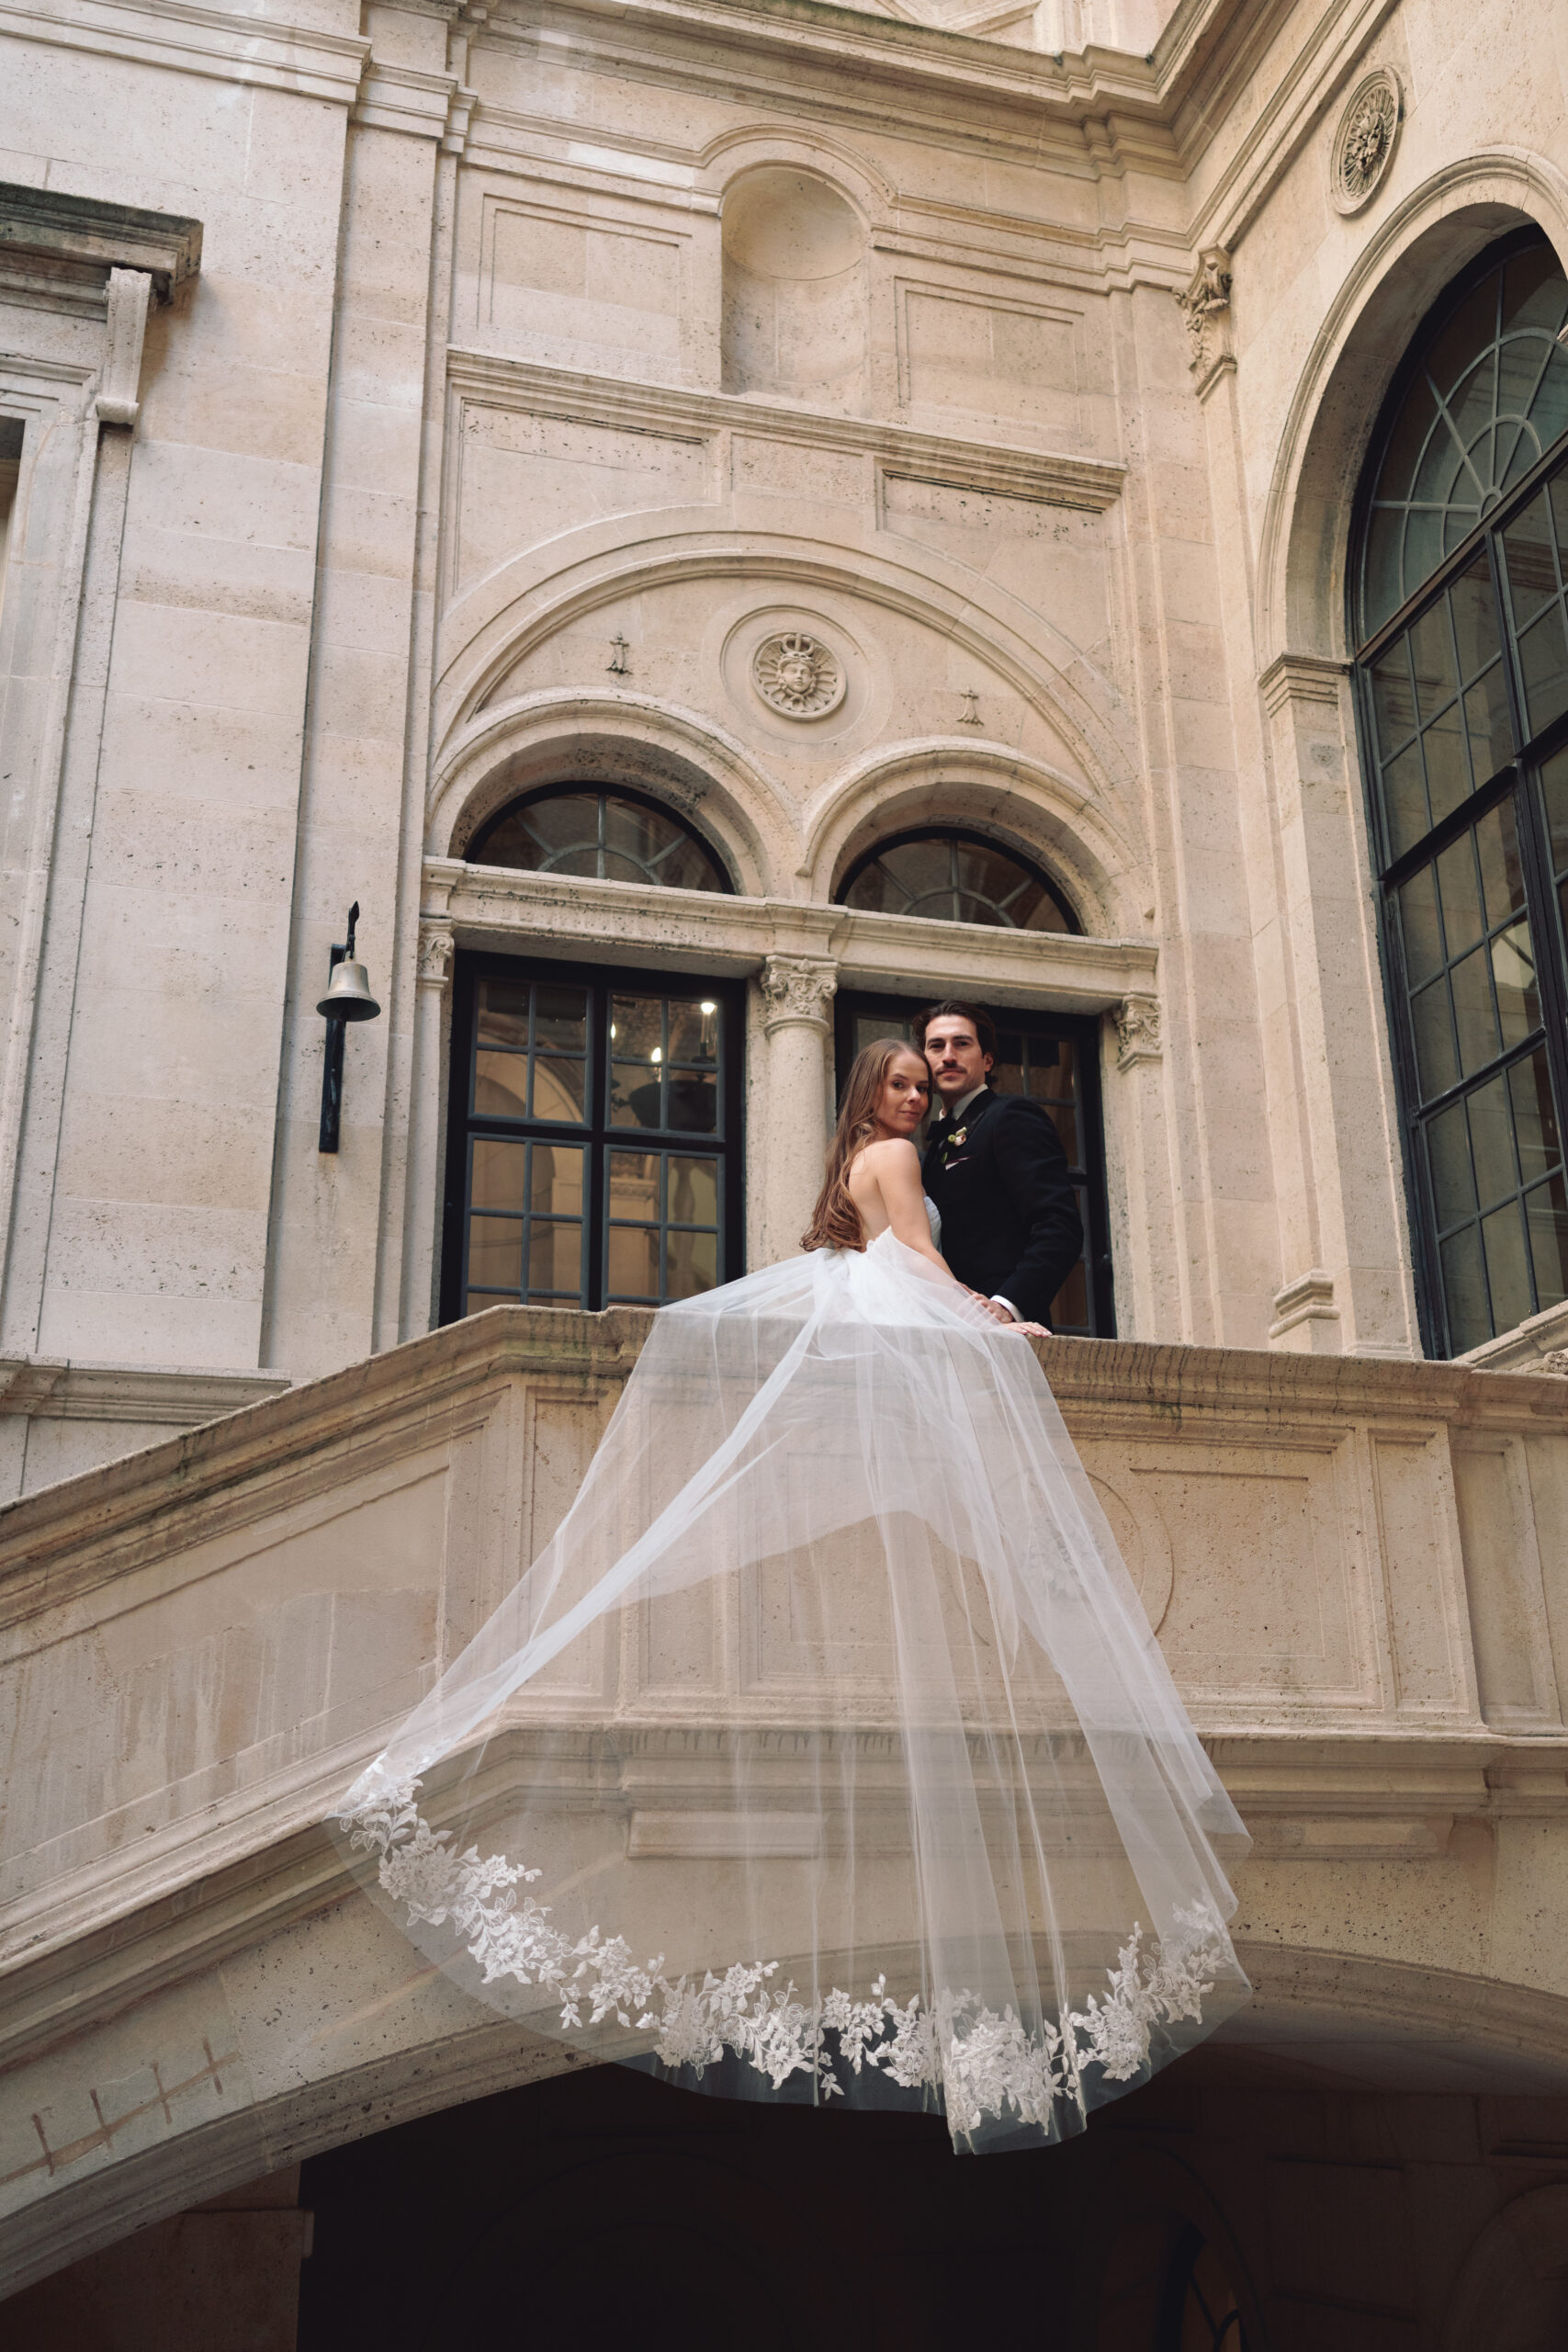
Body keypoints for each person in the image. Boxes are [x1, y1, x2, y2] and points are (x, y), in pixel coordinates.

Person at [334, 1039, 1249, 2156]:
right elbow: (914, 1258)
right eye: (903, 1081)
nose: (917, 1094)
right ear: (874, 1097)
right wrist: (993, 1316)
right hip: (899, 1315)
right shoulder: (898, 1157)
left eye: (925, 1081)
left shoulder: (857, 1159)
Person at [919, 1000, 1083, 1330]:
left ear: (988, 1060)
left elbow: (1058, 1225)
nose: (948, 1055)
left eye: (962, 1043)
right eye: (936, 1046)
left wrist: (1007, 1304)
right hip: (944, 1328)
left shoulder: (1011, 1117)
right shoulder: (934, 1144)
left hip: (1002, 1332)